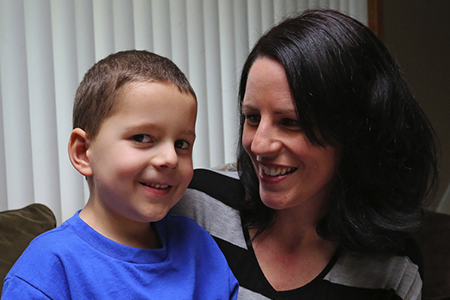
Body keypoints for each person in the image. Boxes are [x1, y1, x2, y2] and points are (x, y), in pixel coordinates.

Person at [172, 9, 438, 299]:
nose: (259, 145)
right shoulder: (195, 207)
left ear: (355, 133)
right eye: (252, 118)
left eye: (290, 122)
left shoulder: (393, 268)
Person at [2, 50, 238, 299]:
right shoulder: (46, 268)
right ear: (83, 152)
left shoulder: (196, 244)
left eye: (182, 143)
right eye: (142, 138)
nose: (170, 159)